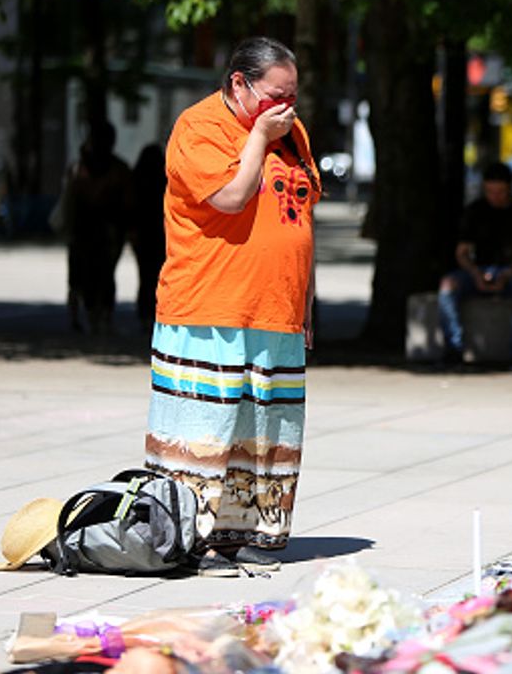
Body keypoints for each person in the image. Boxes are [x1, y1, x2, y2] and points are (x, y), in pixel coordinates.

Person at [144, 36, 320, 576]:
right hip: (209, 308)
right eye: (273, 96)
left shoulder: (292, 132)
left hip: (277, 310)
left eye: (291, 96)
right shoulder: (199, 128)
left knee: (268, 431)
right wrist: (261, 138)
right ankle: (191, 539)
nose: (284, 107)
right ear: (239, 83)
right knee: (208, 430)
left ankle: (253, 535)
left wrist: (307, 303)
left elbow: (302, 215)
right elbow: (230, 197)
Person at [439, 162, 512, 370]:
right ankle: (454, 349)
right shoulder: (475, 210)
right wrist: (475, 273)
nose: (495, 197)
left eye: (500, 192)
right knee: (448, 286)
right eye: (490, 192)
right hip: (479, 269)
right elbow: (462, 252)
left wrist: (509, 273)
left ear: (510, 188)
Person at [63, 119, 131, 334]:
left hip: (90, 230)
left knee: (88, 276)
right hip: (99, 231)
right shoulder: (115, 169)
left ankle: (89, 316)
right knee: (99, 276)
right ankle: (98, 317)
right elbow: (128, 201)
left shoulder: (79, 169)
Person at [130, 143, 167, 333]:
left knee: (144, 276)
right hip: (160, 235)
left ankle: (144, 315)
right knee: (157, 275)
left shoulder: (137, 181)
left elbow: (131, 208)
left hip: (143, 235)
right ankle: (153, 314)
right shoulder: (164, 180)